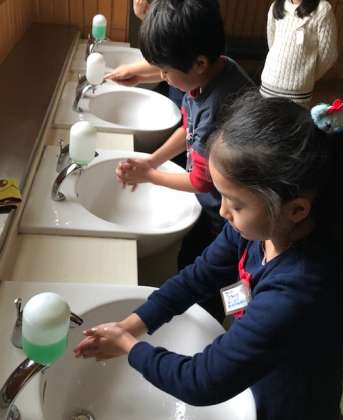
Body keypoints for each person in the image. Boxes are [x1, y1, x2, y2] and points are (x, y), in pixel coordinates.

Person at [74, 91, 343, 420]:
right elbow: (198, 277)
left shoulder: (301, 288)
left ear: (295, 210)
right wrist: (132, 324)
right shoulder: (258, 230)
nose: (223, 211)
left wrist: (129, 347)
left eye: (236, 204)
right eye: (221, 196)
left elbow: (200, 381)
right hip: (256, 379)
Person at [117, 0, 253, 285]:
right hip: (220, 203)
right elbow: (188, 130)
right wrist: (152, 160)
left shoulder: (217, 107)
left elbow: (200, 182)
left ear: (199, 63)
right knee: (192, 261)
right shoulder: (218, 70)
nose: (162, 77)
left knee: (204, 273)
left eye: (165, 71)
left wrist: (149, 175)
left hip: (225, 214)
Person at [260, 0, 338, 106]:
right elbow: (272, 43)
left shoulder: (323, 9)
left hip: (298, 92)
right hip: (268, 84)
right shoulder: (275, 6)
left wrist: (308, 75)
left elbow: (329, 54)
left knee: (292, 117)